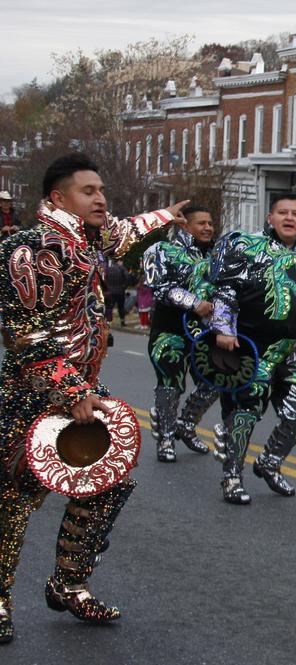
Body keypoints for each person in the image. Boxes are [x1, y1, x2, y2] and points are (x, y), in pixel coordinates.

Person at [0, 153, 185, 643]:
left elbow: (124, 232)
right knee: (13, 499)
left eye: (102, 190)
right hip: (32, 394)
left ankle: (69, 583)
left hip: (81, 388)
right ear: (58, 198)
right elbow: (25, 334)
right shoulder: (32, 247)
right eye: (89, 192)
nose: (101, 198)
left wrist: (166, 215)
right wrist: (71, 390)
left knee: (106, 483)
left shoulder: (84, 238)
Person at [209, 193, 296, 504]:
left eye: (295, 213)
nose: (289, 218)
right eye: (283, 212)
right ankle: (232, 476)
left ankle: (269, 462)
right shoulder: (248, 247)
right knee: (245, 414)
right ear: (270, 217)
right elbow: (225, 290)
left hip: (293, 350)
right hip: (252, 349)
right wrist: (224, 328)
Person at [141, 204, 220, 462]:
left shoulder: (216, 256)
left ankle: (186, 425)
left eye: (210, 223)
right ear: (184, 225)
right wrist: (194, 303)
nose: (208, 227)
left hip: (205, 334)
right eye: (202, 223)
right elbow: (161, 288)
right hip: (169, 331)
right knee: (170, 385)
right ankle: (165, 438)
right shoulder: (162, 250)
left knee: (216, 382)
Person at [101, 259, 130, 326]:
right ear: (119, 261)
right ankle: (122, 321)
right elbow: (128, 277)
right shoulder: (122, 269)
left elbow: (103, 279)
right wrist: (124, 286)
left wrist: (106, 288)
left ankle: (108, 322)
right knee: (121, 307)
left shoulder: (108, 269)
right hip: (120, 291)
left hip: (110, 291)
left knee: (109, 307)